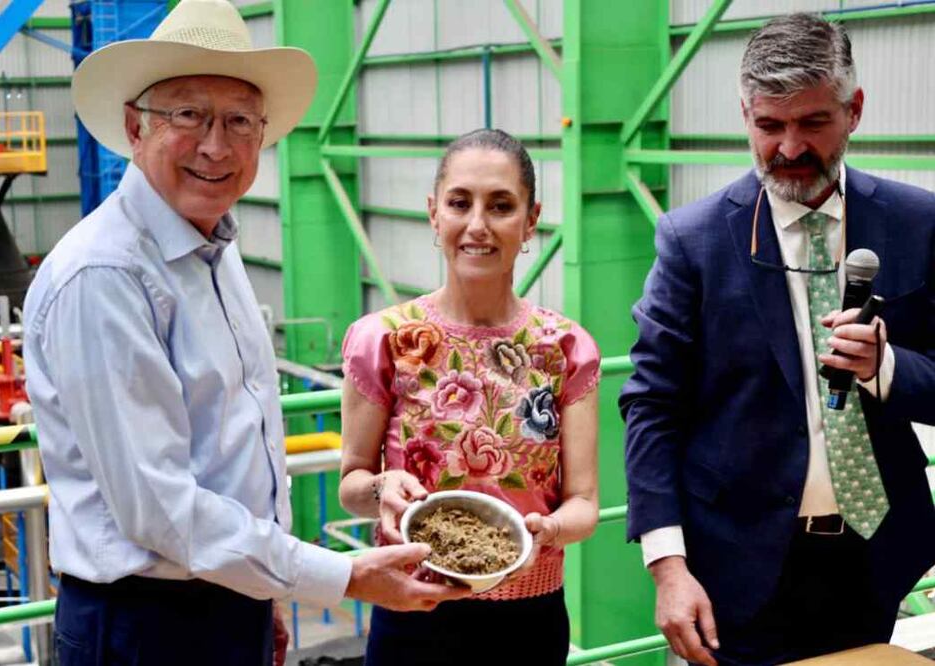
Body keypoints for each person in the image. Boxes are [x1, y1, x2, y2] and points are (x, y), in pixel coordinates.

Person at [23, 1, 467, 664]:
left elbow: (233, 441)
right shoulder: (105, 275)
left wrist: (261, 599)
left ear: (262, 137)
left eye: (238, 121)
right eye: (188, 115)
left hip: (225, 601)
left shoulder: (213, 246)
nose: (215, 145)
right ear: (133, 126)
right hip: (145, 626)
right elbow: (159, 509)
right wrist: (340, 577)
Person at [620, 13, 935, 666]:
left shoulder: (917, 222)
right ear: (745, 116)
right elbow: (652, 405)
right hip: (735, 565)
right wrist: (667, 567)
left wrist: (888, 368)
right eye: (769, 126)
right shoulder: (693, 241)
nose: (790, 148)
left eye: (813, 123)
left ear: (854, 110)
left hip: (877, 554)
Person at [338, 128, 601, 666]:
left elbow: (584, 504)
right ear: (435, 214)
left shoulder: (565, 347)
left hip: (530, 618)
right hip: (412, 607)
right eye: (460, 203)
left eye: (501, 206)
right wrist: (384, 486)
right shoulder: (384, 338)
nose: (477, 225)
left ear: (531, 221)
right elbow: (351, 485)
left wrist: (545, 532)